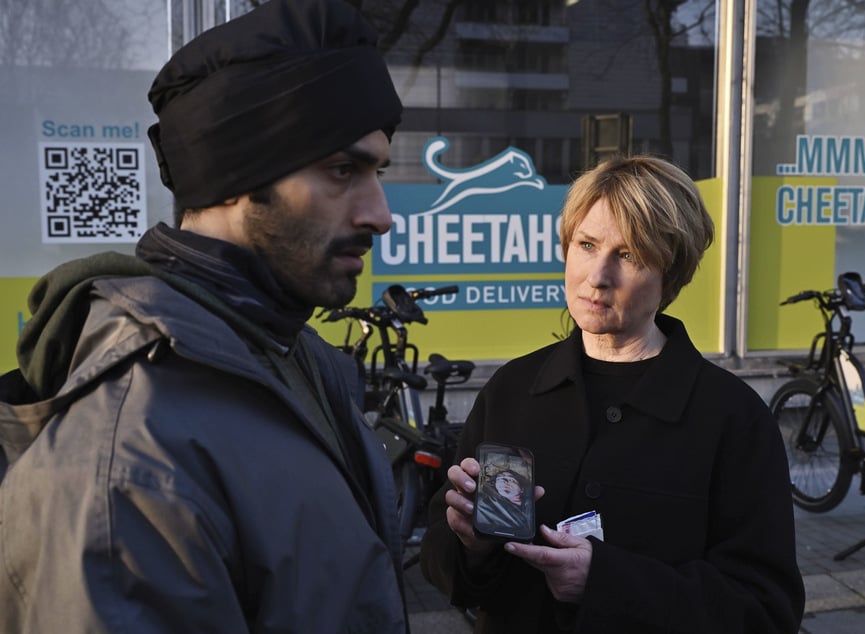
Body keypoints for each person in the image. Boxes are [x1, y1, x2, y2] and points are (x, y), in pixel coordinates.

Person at [0, 1, 408, 632]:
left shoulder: (288, 356)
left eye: (377, 171)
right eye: (341, 170)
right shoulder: (129, 455)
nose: (380, 214)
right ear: (233, 178)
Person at [419, 155, 805, 633]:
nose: (597, 276)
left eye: (628, 255)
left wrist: (604, 582)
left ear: (671, 272)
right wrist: (471, 548)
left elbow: (766, 611)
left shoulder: (732, 418)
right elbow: (443, 567)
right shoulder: (511, 389)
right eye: (586, 245)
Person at [474, 468, 533, 538]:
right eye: (499, 479)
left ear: (522, 489)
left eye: (511, 480)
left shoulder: (531, 505)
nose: (503, 481)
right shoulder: (484, 504)